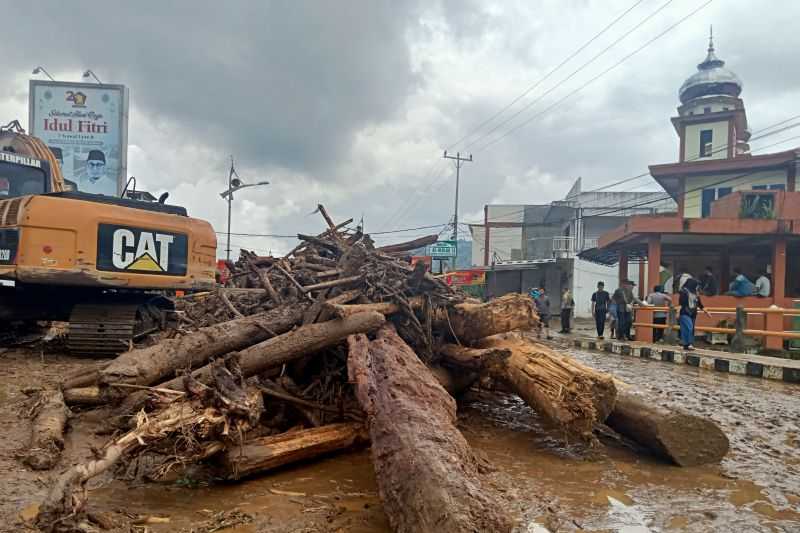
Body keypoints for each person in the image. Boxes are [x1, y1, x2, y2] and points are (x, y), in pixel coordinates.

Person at [679, 278, 711, 351]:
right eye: (696, 285)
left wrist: (706, 312)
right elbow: (681, 303)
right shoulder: (684, 292)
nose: (697, 287)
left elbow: (700, 304)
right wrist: (678, 313)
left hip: (693, 313)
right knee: (688, 327)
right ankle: (688, 344)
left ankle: (687, 345)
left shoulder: (696, 293)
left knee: (691, 329)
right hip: (685, 312)